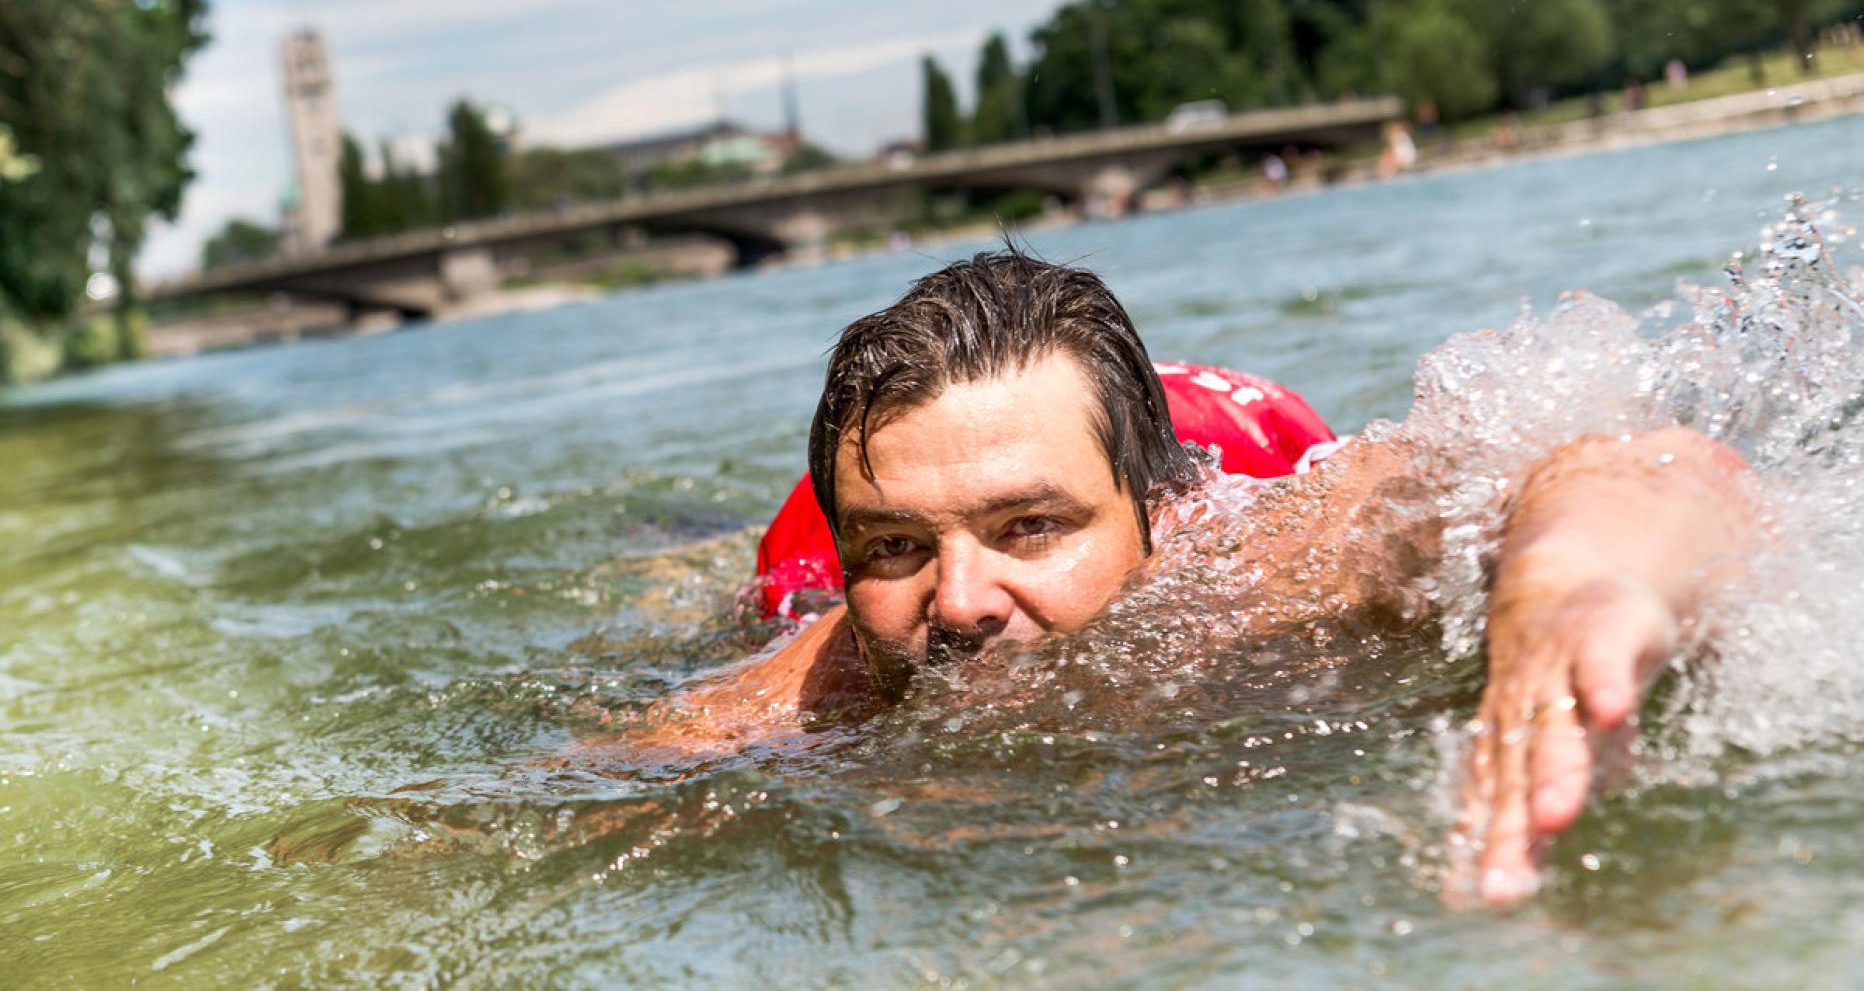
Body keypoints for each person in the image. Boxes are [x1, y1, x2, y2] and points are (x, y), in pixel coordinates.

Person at [573, 249, 1758, 907]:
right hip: (891, 483)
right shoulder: (817, 658)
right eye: (896, 549)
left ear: (1163, 520)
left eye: (1031, 529)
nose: (962, 601)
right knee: (701, 578)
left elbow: (1628, 463)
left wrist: (1566, 579)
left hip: (1169, 425)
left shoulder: (1267, 549)